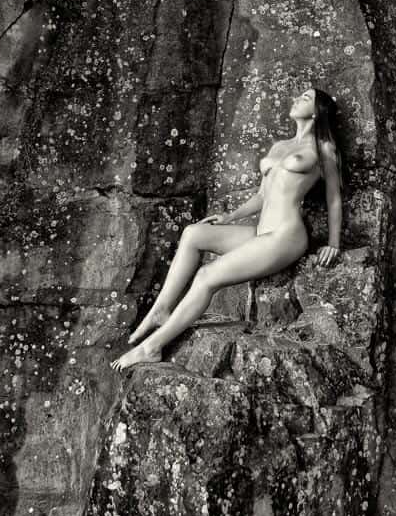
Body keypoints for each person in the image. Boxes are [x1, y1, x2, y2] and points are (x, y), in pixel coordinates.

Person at [110, 86, 343, 371]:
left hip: (286, 236)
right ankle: (162, 309)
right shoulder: (279, 147)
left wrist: (334, 242)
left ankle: (152, 347)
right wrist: (230, 216)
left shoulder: (323, 148)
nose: (296, 99)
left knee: (207, 276)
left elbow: (334, 198)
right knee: (193, 234)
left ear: (318, 111)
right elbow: (262, 196)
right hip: (262, 232)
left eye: (306, 97)